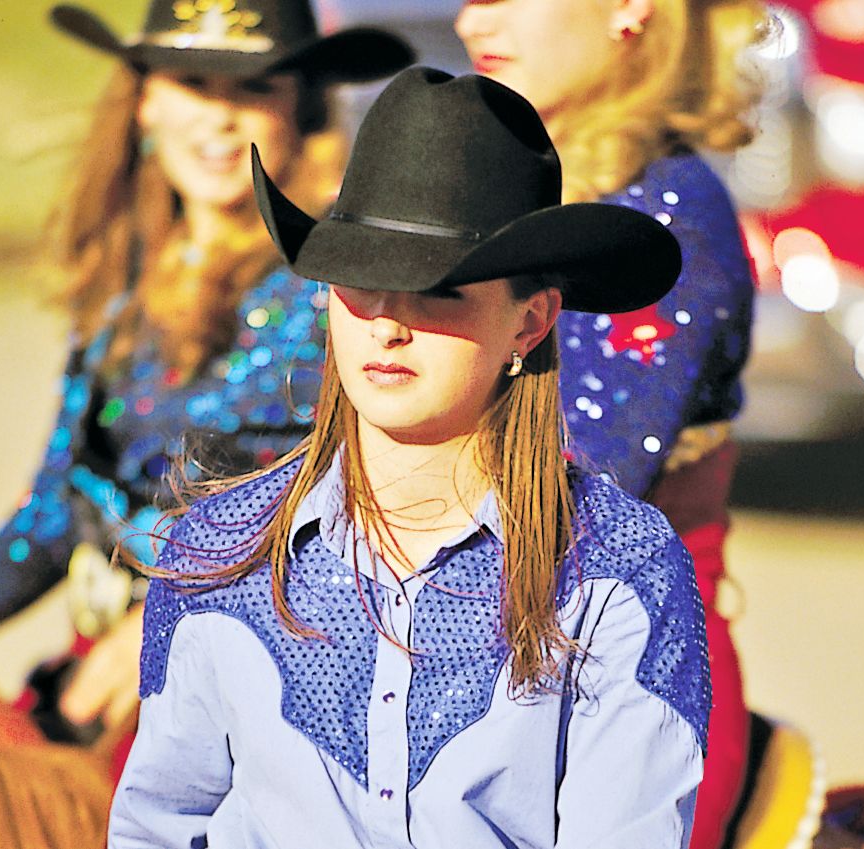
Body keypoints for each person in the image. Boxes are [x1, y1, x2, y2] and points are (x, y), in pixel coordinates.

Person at [110, 66, 707, 848]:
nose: (387, 325)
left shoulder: (618, 571)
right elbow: (157, 826)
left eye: (438, 290)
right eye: (360, 280)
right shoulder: (219, 553)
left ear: (530, 323)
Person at [0, 0, 411, 740]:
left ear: (299, 111)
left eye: (252, 89)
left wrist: (175, 619)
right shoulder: (124, 279)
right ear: (144, 100)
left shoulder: (341, 292)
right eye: (191, 83)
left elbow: (379, 517)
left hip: (265, 697)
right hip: (104, 679)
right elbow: (59, 501)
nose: (217, 120)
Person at [452, 1, 765, 846]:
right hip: (448, 645)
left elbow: (574, 486)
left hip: (622, 679)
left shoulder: (671, 214)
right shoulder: (483, 191)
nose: (472, 19)